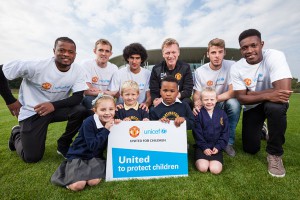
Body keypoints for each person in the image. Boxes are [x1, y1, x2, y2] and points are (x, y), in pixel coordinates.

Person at [3, 37, 89, 162]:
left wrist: (53, 105)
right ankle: (16, 133)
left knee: (81, 110)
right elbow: (1, 71)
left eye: (71, 52)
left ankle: (64, 144)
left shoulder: (78, 70)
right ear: (54, 51)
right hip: (33, 112)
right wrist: (10, 100)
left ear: (75, 55)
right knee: (32, 157)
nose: (66, 54)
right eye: (62, 50)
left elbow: (77, 97)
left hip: (55, 109)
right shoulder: (36, 65)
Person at [230, 29, 292, 177]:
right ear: (241, 50)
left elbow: (284, 91)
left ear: (261, 44)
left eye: (253, 45)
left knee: (275, 107)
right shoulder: (237, 67)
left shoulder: (275, 56)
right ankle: (263, 130)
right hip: (253, 106)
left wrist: (254, 93)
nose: (250, 51)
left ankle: (275, 154)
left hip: (274, 103)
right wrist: (269, 93)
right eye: (245, 48)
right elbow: (242, 98)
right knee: (250, 148)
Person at [51, 94, 120, 191]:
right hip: (79, 155)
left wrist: (119, 124)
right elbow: (92, 146)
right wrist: (106, 129)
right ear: (95, 111)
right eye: (103, 110)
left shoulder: (112, 120)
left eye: (111, 109)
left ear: (115, 109)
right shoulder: (89, 122)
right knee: (78, 185)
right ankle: (68, 174)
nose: (107, 113)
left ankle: (85, 174)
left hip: (95, 157)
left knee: (93, 182)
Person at [193, 38, 241, 157]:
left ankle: (228, 142)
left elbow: (232, 92)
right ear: (208, 54)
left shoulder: (231, 65)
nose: (217, 56)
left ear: (224, 53)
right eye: (213, 52)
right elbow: (197, 93)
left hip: (222, 100)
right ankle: (205, 141)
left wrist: (214, 99)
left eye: (220, 52)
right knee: (199, 110)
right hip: (209, 103)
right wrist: (197, 102)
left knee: (234, 103)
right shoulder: (200, 71)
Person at [192, 87, 229, 174]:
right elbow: (197, 133)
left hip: (215, 148)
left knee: (215, 170)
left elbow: (225, 132)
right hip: (202, 147)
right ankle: (200, 156)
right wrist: (204, 147)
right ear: (201, 100)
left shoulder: (222, 114)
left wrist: (219, 147)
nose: (209, 102)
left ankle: (214, 157)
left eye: (212, 99)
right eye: (206, 99)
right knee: (203, 168)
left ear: (216, 100)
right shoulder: (198, 114)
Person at [150, 38, 193, 108]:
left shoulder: (186, 67)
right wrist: (156, 101)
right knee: (152, 109)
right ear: (163, 54)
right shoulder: (156, 69)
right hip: (162, 101)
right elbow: (154, 91)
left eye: (173, 52)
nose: (170, 56)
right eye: (167, 53)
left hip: (179, 100)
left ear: (178, 53)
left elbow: (188, 91)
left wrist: (171, 98)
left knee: (187, 102)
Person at [107, 43, 151, 109]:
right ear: (127, 58)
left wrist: (146, 104)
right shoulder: (118, 73)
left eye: (137, 58)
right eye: (132, 58)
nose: (134, 61)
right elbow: (113, 94)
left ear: (141, 59)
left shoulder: (148, 73)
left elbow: (149, 95)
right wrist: (113, 106)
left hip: (140, 109)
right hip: (122, 108)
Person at [81, 39, 118, 109]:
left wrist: (98, 91)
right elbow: (86, 91)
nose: (103, 53)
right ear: (95, 51)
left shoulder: (114, 68)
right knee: (89, 100)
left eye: (107, 51)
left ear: (110, 54)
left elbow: (114, 92)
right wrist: (106, 92)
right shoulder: (87, 64)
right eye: (101, 50)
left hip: (107, 99)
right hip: (90, 98)